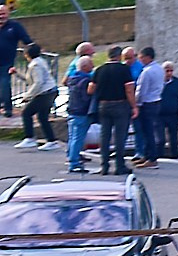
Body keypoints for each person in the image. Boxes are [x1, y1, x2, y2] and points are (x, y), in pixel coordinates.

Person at [92, 45, 137, 177]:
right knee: (120, 137)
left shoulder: (99, 70)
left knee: (104, 136)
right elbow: (129, 90)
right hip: (120, 105)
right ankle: (119, 165)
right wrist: (134, 106)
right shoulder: (124, 70)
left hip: (103, 105)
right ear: (119, 56)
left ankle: (104, 166)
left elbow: (91, 89)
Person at [15, 43, 59, 149]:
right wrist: (16, 74)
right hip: (50, 91)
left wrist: (27, 96)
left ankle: (29, 138)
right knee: (42, 117)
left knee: (26, 113)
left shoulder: (35, 65)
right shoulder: (40, 62)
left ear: (27, 54)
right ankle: (51, 140)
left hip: (45, 93)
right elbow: (31, 81)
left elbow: (38, 83)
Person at [133, 46, 167, 166]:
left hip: (146, 103)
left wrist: (135, 104)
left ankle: (151, 158)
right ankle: (147, 156)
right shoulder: (159, 69)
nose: (140, 60)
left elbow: (141, 91)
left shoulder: (146, 72)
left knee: (147, 131)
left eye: (141, 57)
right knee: (149, 130)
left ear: (147, 57)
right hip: (156, 101)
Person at [63, 54, 97, 174]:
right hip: (82, 112)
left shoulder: (73, 78)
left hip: (72, 110)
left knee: (72, 137)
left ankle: (70, 156)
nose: (93, 66)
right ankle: (74, 162)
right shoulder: (86, 81)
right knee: (78, 138)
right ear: (85, 66)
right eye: (91, 64)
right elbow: (86, 97)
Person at [159, 61, 178, 159]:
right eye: (167, 71)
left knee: (173, 138)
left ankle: (175, 157)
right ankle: (159, 156)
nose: (169, 73)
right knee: (160, 138)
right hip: (159, 114)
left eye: (171, 71)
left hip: (173, 114)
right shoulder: (158, 82)